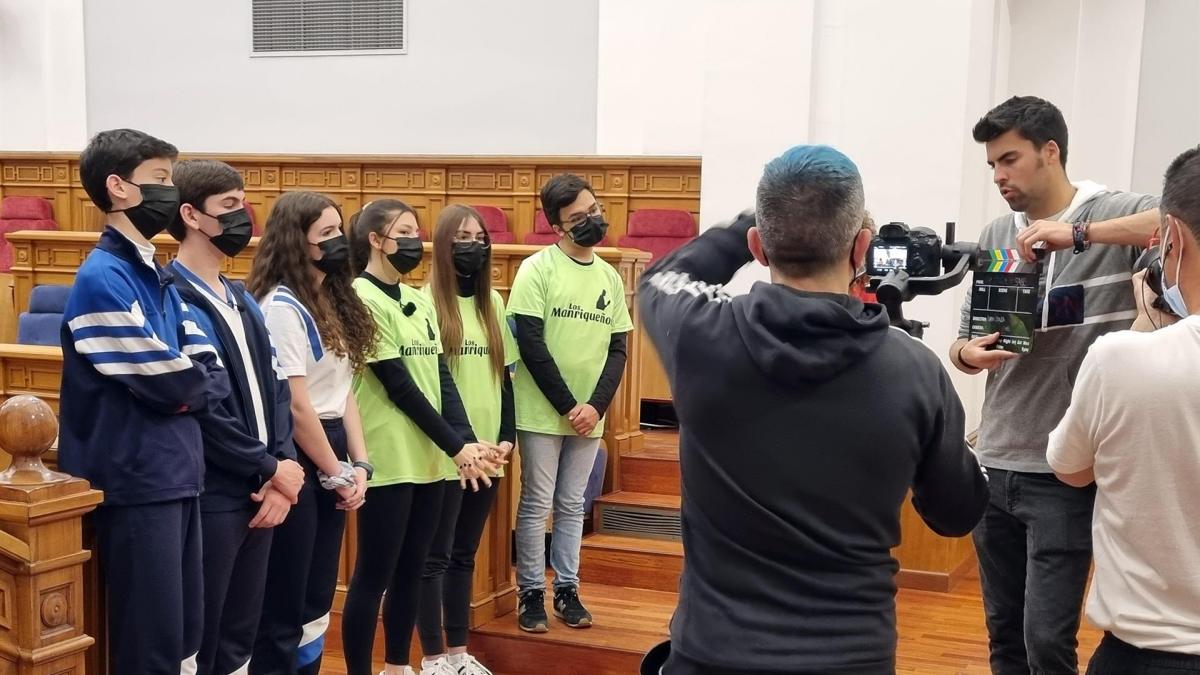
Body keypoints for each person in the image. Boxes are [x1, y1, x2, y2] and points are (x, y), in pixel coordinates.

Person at [639, 144, 989, 674]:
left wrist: (754, 223)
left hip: (712, 655)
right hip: (851, 658)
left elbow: (658, 278)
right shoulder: (915, 370)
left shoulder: (698, 336)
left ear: (759, 245)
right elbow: (955, 512)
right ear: (863, 247)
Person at [949, 96, 1160, 675]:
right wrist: (966, 353)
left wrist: (1080, 234)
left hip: (1066, 474)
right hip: (993, 462)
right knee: (1005, 640)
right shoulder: (996, 231)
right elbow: (963, 341)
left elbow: (1179, 223)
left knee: (1047, 641)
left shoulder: (1114, 210)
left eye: (1009, 160)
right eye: (991, 165)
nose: (998, 176)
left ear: (1050, 151)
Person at [58, 128, 229, 675]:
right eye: (160, 179)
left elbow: (209, 372)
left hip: (177, 471)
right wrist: (181, 391)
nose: (170, 192)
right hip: (134, 479)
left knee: (184, 636)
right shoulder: (101, 275)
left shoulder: (155, 271)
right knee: (149, 645)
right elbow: (172, 381)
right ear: (118, 187)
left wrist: (181, 391)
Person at [1047, 145, 1200, 674]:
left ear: (1171, 239)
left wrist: (1143, 325)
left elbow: (1070, 468)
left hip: (1151, 653)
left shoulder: (1119, 359)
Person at [340, 200, 503, 675]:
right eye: (404, 231)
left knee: (413, 570)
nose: (415, 240)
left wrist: (466, 443)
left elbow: (441, 381)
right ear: (376, 239)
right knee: (373, 574)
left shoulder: (416, 301)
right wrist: (457, 445)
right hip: (389, 456)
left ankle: (397, 666)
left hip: (431, 460)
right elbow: (400, 386)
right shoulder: (360, 296)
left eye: (417, 231)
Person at [167, 159, 306, 675]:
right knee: (202, 635)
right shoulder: (173, 296)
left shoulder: (243, 296)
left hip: (266, 486)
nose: (244, 215)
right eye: (229, 206)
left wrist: (283, 470)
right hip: (217, 492)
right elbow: (203, 408)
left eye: (244, 203)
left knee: (240, 637)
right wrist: (268, 469)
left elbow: (276, 391)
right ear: (191, 215)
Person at [247, 191, 372, 675]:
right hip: (299, 450)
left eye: (340, 230)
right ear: (296, 243)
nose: (340, 241)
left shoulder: (331, 299)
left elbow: (345, 392)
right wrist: (334, 469)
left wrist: (359, 465)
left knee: (319, 595)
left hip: (334, 450)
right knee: (287, 595)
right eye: (327, 234)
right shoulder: (281, 306)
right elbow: (298, 406)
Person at [509, 174, 633, 632]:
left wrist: (595, 407)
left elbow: (619, 346)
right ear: (557, 226)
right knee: (537, 501)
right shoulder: (536, 269)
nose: (592, 221)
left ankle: (566, 588)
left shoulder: (608, 275)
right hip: (544, 411)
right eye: (578, 218)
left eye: (594, 210)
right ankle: (529, 593)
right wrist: (567, 405)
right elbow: (531, 343)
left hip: (589, 414)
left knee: (574, 504)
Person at [416, 204, 519, 675]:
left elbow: (506, 376)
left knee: (464, 557)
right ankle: (433, 657)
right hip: (449, 455)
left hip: (490, 454)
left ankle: (459, 654)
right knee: (433, 559)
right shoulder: (423, 303)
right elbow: (427, 387)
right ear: (441, 245)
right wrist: (461, 446)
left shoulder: (492, 302)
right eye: (461, 236)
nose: (472, 244)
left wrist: (505, 437)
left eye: (479, 236)